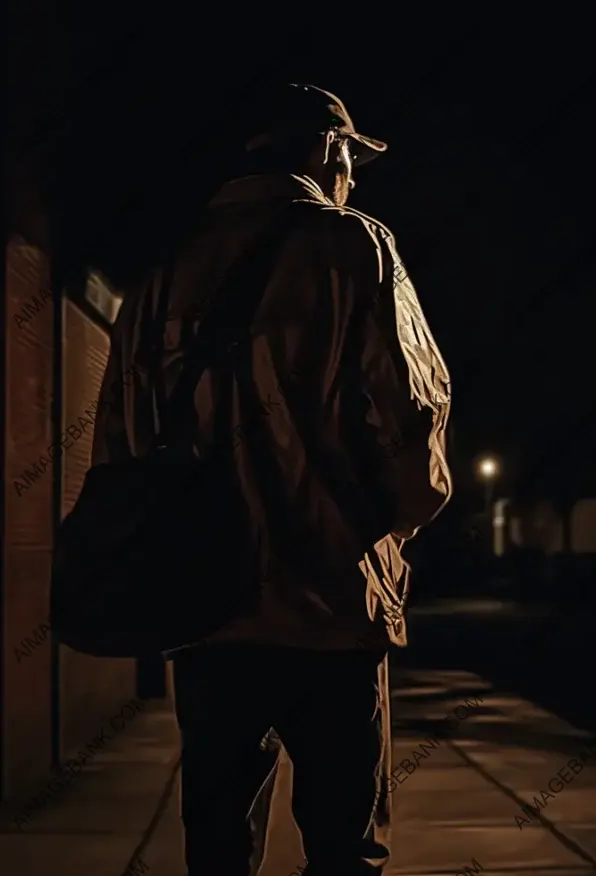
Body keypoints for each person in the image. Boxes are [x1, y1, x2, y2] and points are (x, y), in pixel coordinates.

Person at [91, 83, 452, 876]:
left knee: (217, 845)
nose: (352, 177)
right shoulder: (357, 247)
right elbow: (415, 411)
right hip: (332, 601)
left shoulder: (162, 272)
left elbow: (118, 440)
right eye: (352, 161)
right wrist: (395, 524)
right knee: (344, 846)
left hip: (203, 606)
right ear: (329, 151)